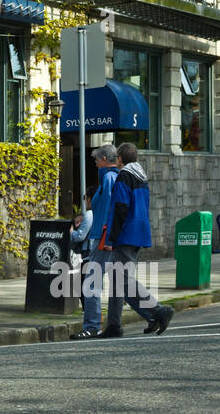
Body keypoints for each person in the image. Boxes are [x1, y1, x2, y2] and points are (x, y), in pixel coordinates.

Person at [98, 142, 174, 338]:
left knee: (121, 280)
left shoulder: (124, 176)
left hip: (126, 234)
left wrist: (111, 237)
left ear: (120, 159)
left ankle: (157, 310)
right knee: (118, 280)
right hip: (139, 232)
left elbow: (121, 208)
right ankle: (119, 323)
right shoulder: (141, 177)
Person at [71, 145, 120, 340]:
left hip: (102, 238)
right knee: (118, 282)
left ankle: (92, 326)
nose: (95, 163)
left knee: (91, 284)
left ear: (105, 160)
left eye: (97, 160)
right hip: (103, 237)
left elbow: (109, 208)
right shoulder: (109, 177)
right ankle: (154, 312)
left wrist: (105, 238)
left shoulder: (108, 178)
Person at [67, 185, 100, 338]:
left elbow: (81, 235)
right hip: (95, 253)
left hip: (88, 255)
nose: (84, 201)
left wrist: (71, 233)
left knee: (85, 288)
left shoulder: (90, 214)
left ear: (89, 198)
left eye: (85, 198)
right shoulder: (100, 212)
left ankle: (91, 321)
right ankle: (92, 321)